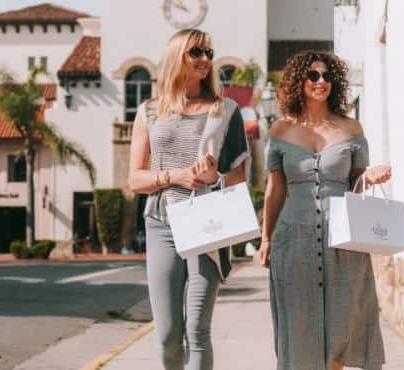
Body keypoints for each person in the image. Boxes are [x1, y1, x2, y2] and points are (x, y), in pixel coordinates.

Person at [259, 50, 391, 370]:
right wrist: (266, 239)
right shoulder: (280, 130)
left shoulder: (351, 129)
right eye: (314, 75)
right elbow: (275, 189)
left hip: (342, 239)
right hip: (294, 238)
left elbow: (357, 178)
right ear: (298, 81)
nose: (322, 82)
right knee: (299, 325)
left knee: (340, 327)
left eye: (328, 76)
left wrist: (369, 176)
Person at [128, 29, 249, 370]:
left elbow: (239, 177)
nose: (205, 59)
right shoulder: (149, 112)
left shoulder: (226, 111)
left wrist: (215, 178)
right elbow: (135, 178)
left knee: (197, 329)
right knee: (167, 334)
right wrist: (174, 176)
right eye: (196, 52)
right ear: (176, 56)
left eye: (208, 52)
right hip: (161, 224)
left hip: (206, 226)